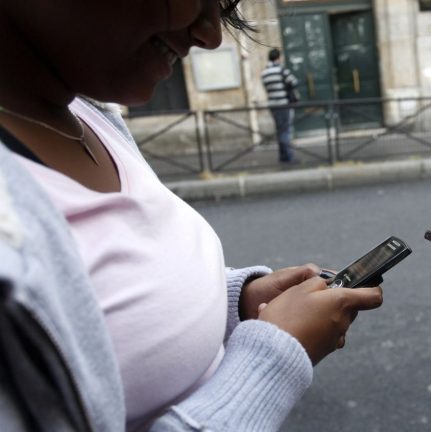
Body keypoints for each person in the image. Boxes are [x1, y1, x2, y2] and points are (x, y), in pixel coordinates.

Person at [0, 1, 382, 431]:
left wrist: (237, 300)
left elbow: (132, 289)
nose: (211, 34)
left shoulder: (88, 111)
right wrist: (274, 357)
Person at [261, 48, 299, 164]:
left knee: (280, 130)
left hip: (272, 105)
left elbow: (266, 87)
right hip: (283, 104)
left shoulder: (264, 73)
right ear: (278, 57)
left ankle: (282, 156)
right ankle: (289, 156)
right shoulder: (281, 70)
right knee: (285, 130)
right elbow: (294, 82)